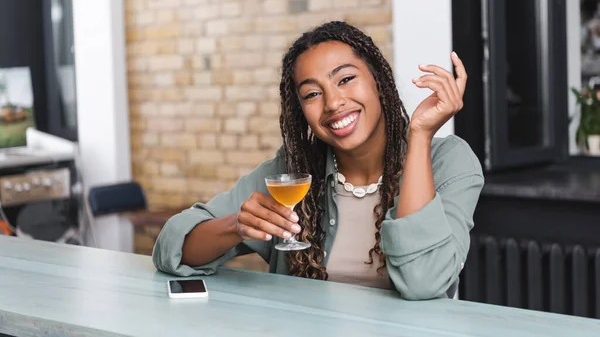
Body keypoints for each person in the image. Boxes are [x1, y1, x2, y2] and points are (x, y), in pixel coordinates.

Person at [152, 21, 484, 300]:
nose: (333, 102)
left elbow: (423, 282)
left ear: (379, 83)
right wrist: (237, 226)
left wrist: (420, 136)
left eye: (346, 79)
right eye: (312, 93)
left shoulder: (448, 162)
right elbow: (172, 248)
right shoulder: (293, 171)